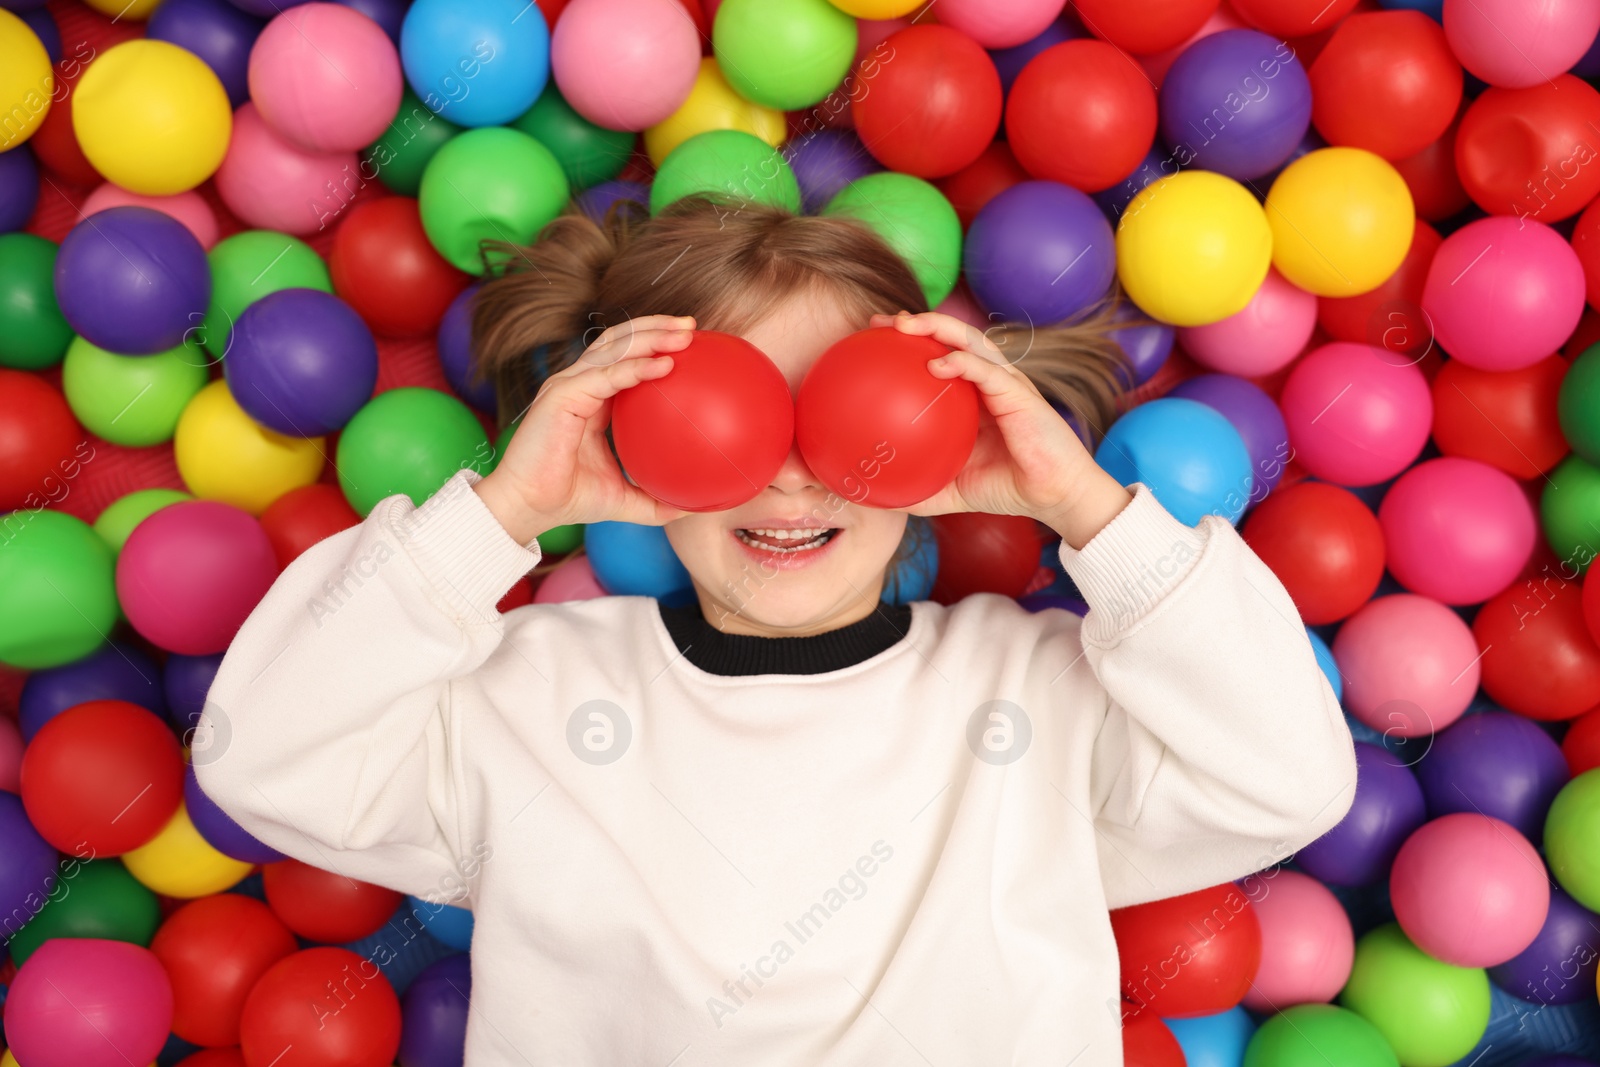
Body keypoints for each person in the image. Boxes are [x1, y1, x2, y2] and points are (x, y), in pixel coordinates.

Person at [196, 195, 1359, 1065]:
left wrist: (1086, 510)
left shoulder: (1039, 699)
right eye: (731, 418)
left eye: (848, 414)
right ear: (632, 433)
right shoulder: (523, 701)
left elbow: (1289, 779)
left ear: (937, 432)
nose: (796, 477)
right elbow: (263, 755)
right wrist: (505, 511)